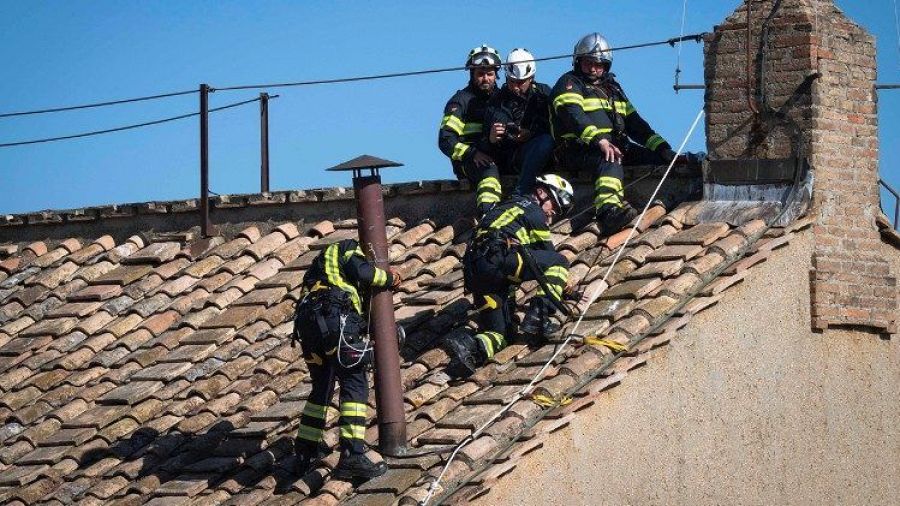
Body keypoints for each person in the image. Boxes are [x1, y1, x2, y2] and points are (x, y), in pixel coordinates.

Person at [445, 174, 575, 378]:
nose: (552, 215)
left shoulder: (504, 207)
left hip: (477, 272)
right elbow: (547, 254)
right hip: (499, 259)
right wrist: (564, 287)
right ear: (541, 192)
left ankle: (469, 348)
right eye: (555, 206)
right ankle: (539, 316)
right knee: (560, 261)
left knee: (502, 334)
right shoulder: (533, 211)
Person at [292, 239, 401, 480]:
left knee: (321, 386)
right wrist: (390, 278)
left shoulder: (318, 268)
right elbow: (363, 272)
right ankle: (352, 455)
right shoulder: (348, 246)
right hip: (335, 319)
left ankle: (305, 450)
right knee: (354, 381)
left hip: (308, 327)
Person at [551, 33, 679, 235]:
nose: (593, 69)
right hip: (578, 149)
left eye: (599, 64)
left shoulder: (613, 89)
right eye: (588, 63)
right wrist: (599, 140)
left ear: (606, 66)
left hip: (614, 145)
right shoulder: (569, 83)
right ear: (578, 61)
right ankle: (608, 211)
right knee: (610, 158)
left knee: (658, 159)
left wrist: (664, 149)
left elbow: (636, 124)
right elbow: (573, 116)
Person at [480, 48, 555, 197]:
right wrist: (491, 139)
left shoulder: (544, 93)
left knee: (546, 141)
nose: (515, 87)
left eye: (520, 83)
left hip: (542, 152)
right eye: (511, 81)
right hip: (511, 158)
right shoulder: (496, 102)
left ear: (531, 78)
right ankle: (520, 193)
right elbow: (483, 144)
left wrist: (531, 133)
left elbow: (555, 124)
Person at [439, 45, 502, 215]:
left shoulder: (503, 98)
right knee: (489, 170)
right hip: (469, 162)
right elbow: (446, 140)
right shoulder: (460, 102)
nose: (485, 78)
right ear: (472, 74)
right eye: (480, 74)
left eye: (490, 74)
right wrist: (472, 154)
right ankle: (488, 215)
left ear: (496, 75)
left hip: (498, 154)